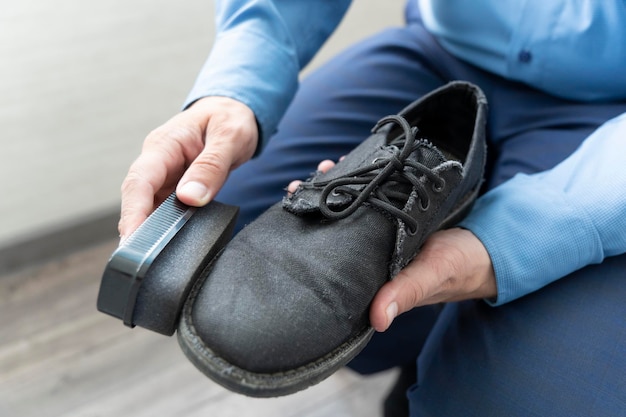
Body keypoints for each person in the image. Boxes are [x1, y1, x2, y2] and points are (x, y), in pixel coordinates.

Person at [118, 1, 626, 415]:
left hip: (610, 116)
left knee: (517, 398)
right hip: (444, 49)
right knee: (239, 206)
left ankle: (437, 365)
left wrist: (528, 235)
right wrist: (236, 89)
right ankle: (415, 347)